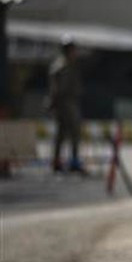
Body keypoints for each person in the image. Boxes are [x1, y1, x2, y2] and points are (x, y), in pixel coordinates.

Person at [47, 36, 85, 173]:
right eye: (73, 50)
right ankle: (71, 162)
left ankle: (59, 162)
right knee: (72, 133)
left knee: (62, 134)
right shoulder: (62, 66)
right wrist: (53, 104)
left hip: (67, 102)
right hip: (66, 103)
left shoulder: (68, 64)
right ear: (68, 50)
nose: (75, 52)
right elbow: (56, 88)